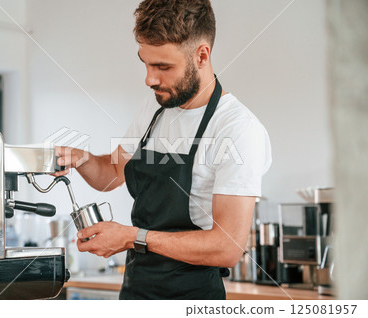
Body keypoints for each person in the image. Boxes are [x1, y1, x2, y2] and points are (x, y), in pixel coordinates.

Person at [55, 0, 271, 299]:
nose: (149, 79)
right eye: (145, 62)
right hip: (136, 291)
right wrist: (82, 159)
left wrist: (132, 237)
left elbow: (227, 248)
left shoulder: (236, 128)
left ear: (202, 55)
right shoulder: (155, 108)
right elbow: (112, 173)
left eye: (163, 67)